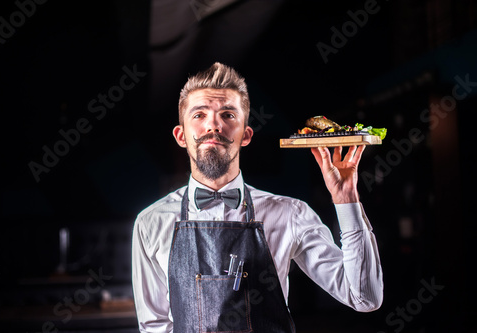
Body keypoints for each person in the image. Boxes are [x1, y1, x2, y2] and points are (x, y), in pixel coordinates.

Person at [131, 62, 383, 332]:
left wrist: (347, 201)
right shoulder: (151, 223)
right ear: (181, 136)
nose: (213, 124)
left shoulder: (291, 214)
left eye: (228, 115)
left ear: (246, 135)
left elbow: (365, 298)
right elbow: (155, 326)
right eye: (199, 115)